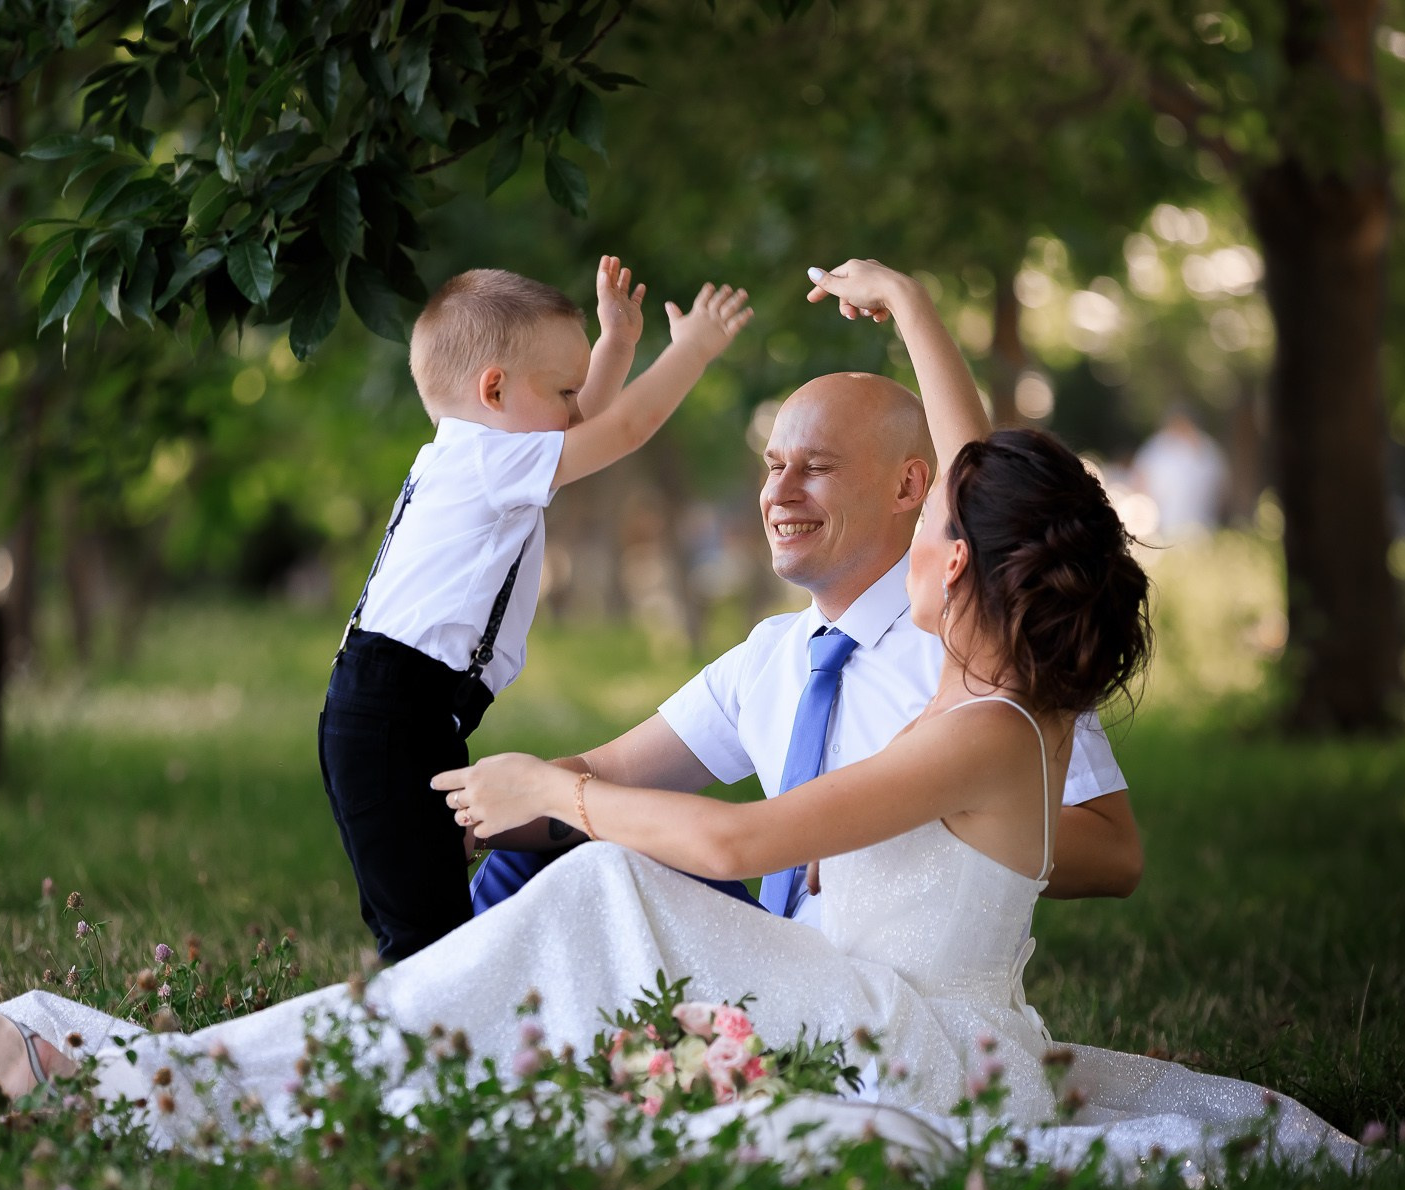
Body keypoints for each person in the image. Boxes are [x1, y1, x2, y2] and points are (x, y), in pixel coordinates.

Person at [0, 259, 1359, 1177]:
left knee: (611, 891)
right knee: (578, 916)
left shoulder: (984, 727)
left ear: (939, 540)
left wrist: (564, 802)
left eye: (936, 517)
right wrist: (918, 304)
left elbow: (740, 829)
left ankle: (170, 1087)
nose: (932, 526)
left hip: (898, 1031)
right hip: (834, 996)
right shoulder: (968, 687)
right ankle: (197, 1074)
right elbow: (989, 475)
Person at [467, 370, 1143, 920]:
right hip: (786, 961)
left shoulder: (998, 687)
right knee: (552, 841)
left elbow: (737, 842)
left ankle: (425, 1037)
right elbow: (601, 772)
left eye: (814, 466)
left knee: (590, 842)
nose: (779, 493)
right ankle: (433, 1008)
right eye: (773, 466)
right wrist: (461, 810)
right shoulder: (780, 654)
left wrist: (903, 822)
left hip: (860, 1005)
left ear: (953, 551)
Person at [319, 259, 752, 963]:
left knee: (431, 918)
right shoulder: (491, 459)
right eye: (562, 389)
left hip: (399, 709)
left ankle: (433, 1041)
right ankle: (414, 1051)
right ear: (494, 389)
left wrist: (614, 342)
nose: (573, 410)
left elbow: (590, 422)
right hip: (393, 711)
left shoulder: (474, 452)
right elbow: (626, 426)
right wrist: (692, 348)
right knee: (428, 941)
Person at [1130, 405, 1229, 539]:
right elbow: (1139, 483)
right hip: (1163, 531)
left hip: (1203, 530)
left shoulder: (1208, 449)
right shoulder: (1156, 447)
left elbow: (1221, 489)